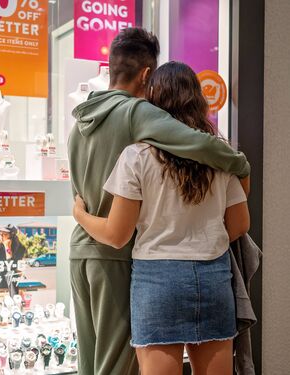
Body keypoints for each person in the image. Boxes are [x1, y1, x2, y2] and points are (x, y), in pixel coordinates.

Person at [68, 27, 250, 375]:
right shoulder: (136, 113)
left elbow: (81, 191)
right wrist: (238, 162)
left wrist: (78, 214)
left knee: (90, 364)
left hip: (84, 251)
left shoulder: (81, 121)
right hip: (121, 256)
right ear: (146, 75)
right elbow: (198, 145)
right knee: (115, 368)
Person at [0, 224, 27, 307]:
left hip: (11, 281)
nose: (1, 236)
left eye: (5, 234)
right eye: (1, 234)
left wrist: (8, 249)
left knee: (11, 273)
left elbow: (16, 266)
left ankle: (15, 306)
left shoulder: (21, 248)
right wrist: (8, 267)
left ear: (12, 235)